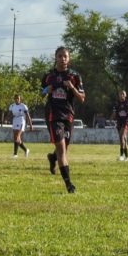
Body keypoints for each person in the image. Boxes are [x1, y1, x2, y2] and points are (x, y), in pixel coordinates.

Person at [41, 46, 85, 193]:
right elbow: (41, 92)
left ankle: (52, 158)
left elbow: (82, 98)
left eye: (65, 56)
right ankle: (68, 184)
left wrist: (72, 88)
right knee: (61, 149)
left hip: (68, 116)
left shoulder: (75, 77)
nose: (62, 59)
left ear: (69, 58)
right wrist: (48, 90)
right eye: (60, 56)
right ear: (55, 58)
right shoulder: (49, 76)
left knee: (64, 148)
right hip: (53, 115)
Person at [111, 90, 128, 161]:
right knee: (124, 139)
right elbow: (114, 113)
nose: (121, 95)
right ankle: (127, 157)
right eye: (120, 94)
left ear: (125, 95)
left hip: (126, 122)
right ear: (119, 95)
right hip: (119, 123)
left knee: (121, 137)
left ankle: (121, 156)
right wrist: (111, 118)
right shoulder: (116, 104)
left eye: (123, 94)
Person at [7, 94, 33, 158]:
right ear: (14, 99)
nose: (17, 100)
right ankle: (26, 150)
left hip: (21, 120)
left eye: (18, 98)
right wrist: (6, 119)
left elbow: (28, 116)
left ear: (20, 99)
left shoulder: (23, 106)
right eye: (15, 98)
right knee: (16, 138)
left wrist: (30, 125)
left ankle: (15, 154)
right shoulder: (12, 106)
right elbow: (9, 114)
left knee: (17, 137)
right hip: (15, 120)